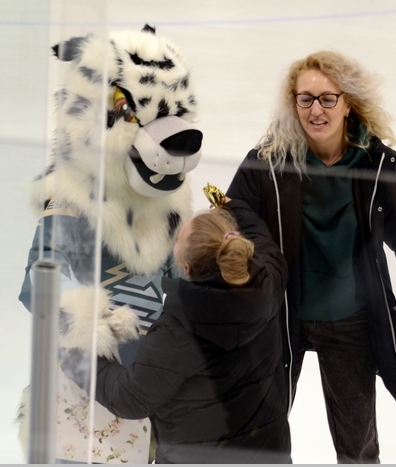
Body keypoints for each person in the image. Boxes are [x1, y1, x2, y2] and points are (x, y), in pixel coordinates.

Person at [226, 50, 396, 463]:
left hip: (350, 319)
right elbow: (234, 211)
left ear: (348, 104)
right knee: (257, 437)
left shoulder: (377, 162)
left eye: (328, 99)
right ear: (293, 103)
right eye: (305, 99)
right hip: (282, 314)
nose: (316, 110)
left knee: (357, 447)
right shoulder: (270, 159)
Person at [62, 197, 292, 464]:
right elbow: (263, 241)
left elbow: (130, 397)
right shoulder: (268, 281)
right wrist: (235, 207)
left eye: (177, 241)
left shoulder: (178, 330)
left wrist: (78, 359)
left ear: (186, 268)